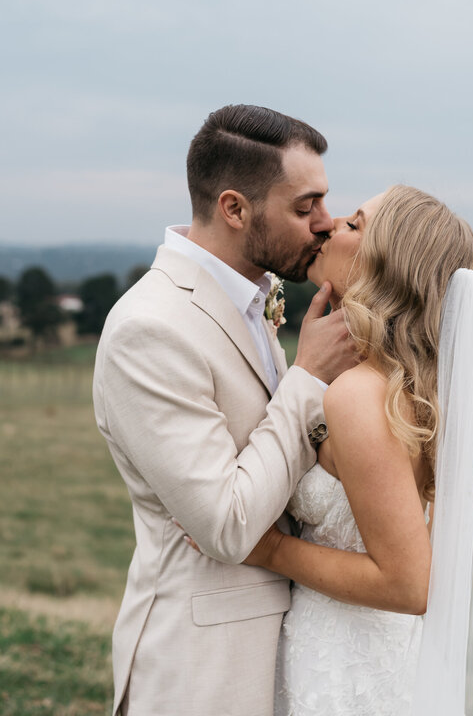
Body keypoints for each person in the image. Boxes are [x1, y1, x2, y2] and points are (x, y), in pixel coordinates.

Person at [233, 185, 473, 715]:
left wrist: (269, 551)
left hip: (345, 671)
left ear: (388, 267)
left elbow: (407, 583)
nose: (329, 226)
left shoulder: (360, 396)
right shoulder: (419, 393)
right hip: (388, 658)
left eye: (354, 225)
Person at [93, 104, 359, 716]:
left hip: (293, 652)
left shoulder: (252, 298)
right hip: (203, 670)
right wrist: (309, 376)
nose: (325, 223)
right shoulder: (150, 329)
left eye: (324, 202)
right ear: (235, 209)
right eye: (303, 207)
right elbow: (226, 525)